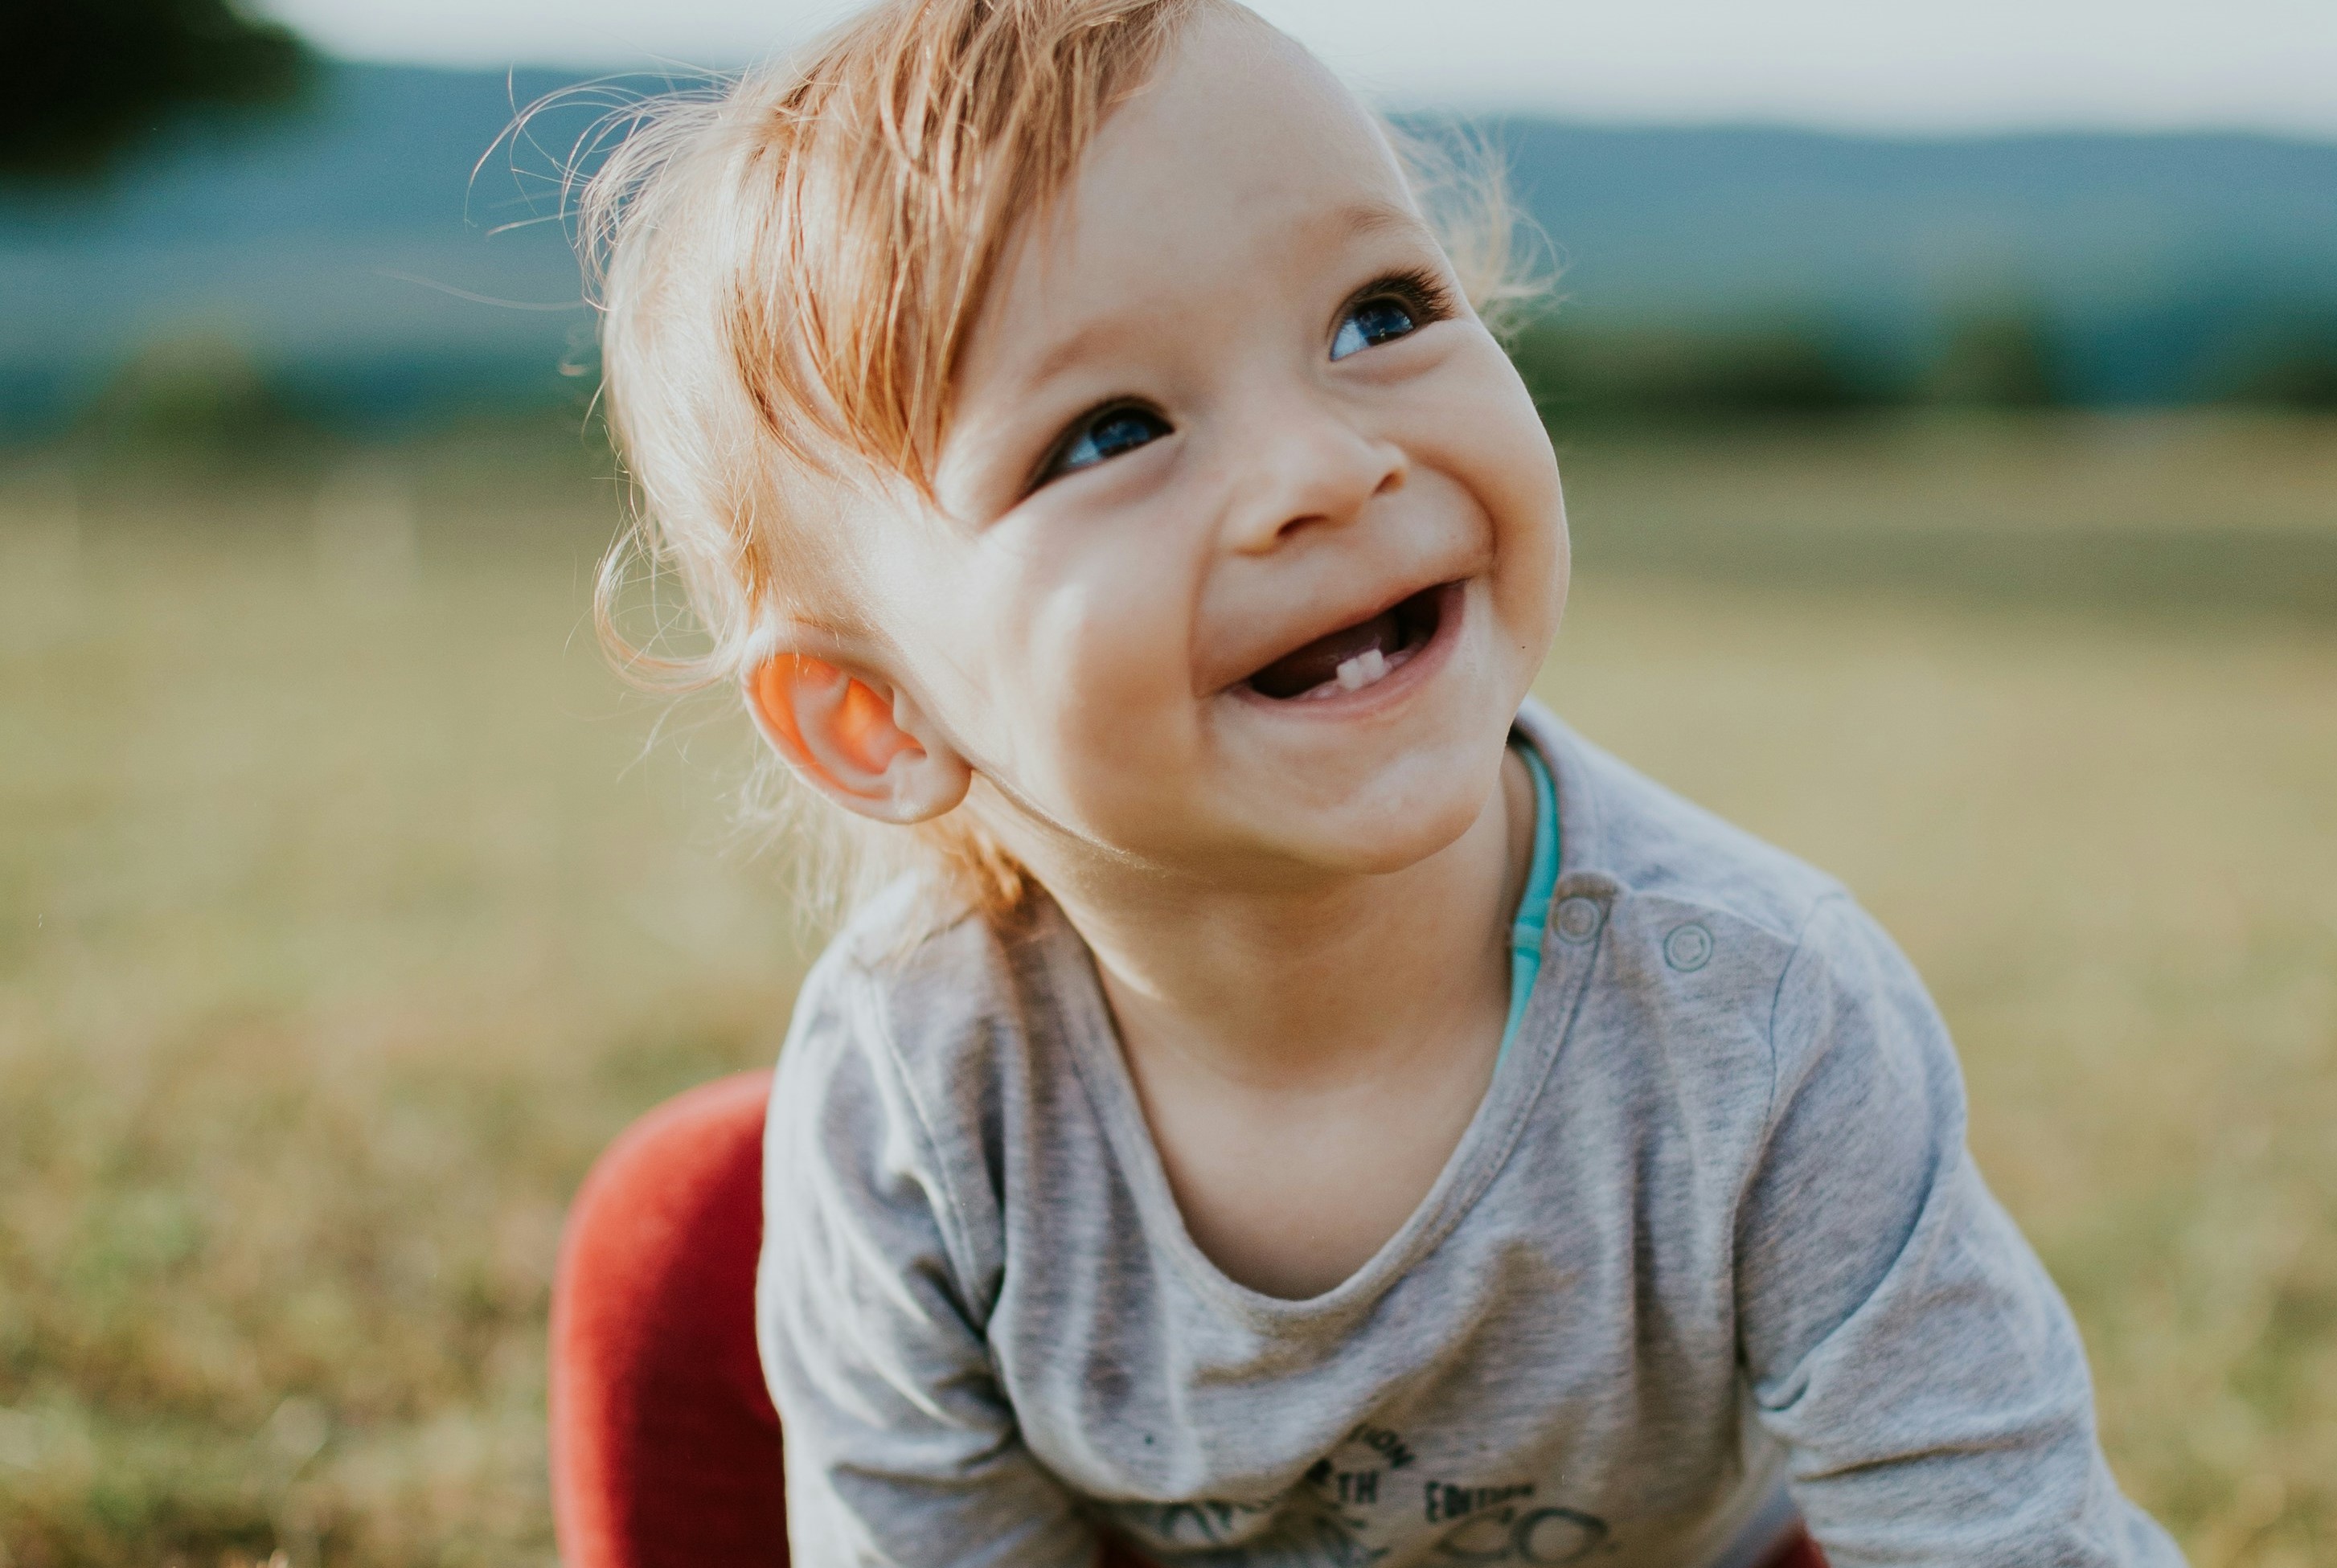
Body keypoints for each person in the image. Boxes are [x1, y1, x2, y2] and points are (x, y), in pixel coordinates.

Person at [563, 2, 2187, 1564]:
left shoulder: (1762, 1020)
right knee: (693, 1216)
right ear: (875, 718)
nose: (1325, 468)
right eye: (1110, 430)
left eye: (1380, 317)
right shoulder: (923, 1075)